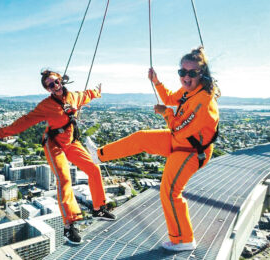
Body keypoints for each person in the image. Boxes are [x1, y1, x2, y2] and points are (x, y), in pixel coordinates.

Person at [86, 47, 219, 251]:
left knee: (169, 192)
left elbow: (178, 128)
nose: (186, 77)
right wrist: (156, 81)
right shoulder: (191, 89)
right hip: (181, 142)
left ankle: (183, 239)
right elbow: (170, 99)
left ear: (202, 73)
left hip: (191, 151)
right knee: (141, 138)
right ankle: (99, 156)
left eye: (191, 73)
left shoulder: (203, 100)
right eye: (182, 72)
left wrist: (166, 114)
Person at [0, 69, 116, 245]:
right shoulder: (46, 105)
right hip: (54, 144)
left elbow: (86, 95)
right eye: (50, 85)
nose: (55, 86)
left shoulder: (74, 96)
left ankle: (98, 208)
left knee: (94, 169)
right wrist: (3, 132)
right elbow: (25, 121)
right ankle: (69, 225)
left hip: (71, 141)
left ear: (61, 80)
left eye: (56, 81)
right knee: (64, 179)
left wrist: (97, 92)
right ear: (48, 89)